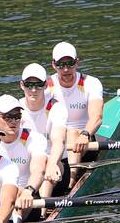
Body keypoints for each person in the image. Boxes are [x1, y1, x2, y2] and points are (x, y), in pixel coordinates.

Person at [45, 41, 105, 183]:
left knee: (72, 133)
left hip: (83, 140)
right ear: (54, 65)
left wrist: (86, 133)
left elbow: (97, 117)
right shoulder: (46, 86)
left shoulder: (91, 83)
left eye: (70, 63)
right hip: (55, 140)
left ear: (77, 63)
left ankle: (71, 184)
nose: (65, 69)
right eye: (61, 64)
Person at [0, 94, 49, 214]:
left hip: (26, 198)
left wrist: (29, 190)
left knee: (14, 191)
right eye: (8, 117)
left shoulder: (32, 138)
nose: (13, 121)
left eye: (17, 117)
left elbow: (38, 168)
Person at [19, 63, 67, 196]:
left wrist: (52, 163)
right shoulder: (16, 111)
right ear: (22, 85)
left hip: (55, 169)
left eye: (38, 85)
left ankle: (43, 213)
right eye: (29, 85)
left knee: (44, 162)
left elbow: (58, 140)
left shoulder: (56, 108)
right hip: (29, 169)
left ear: (45, 86)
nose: (33, 90)